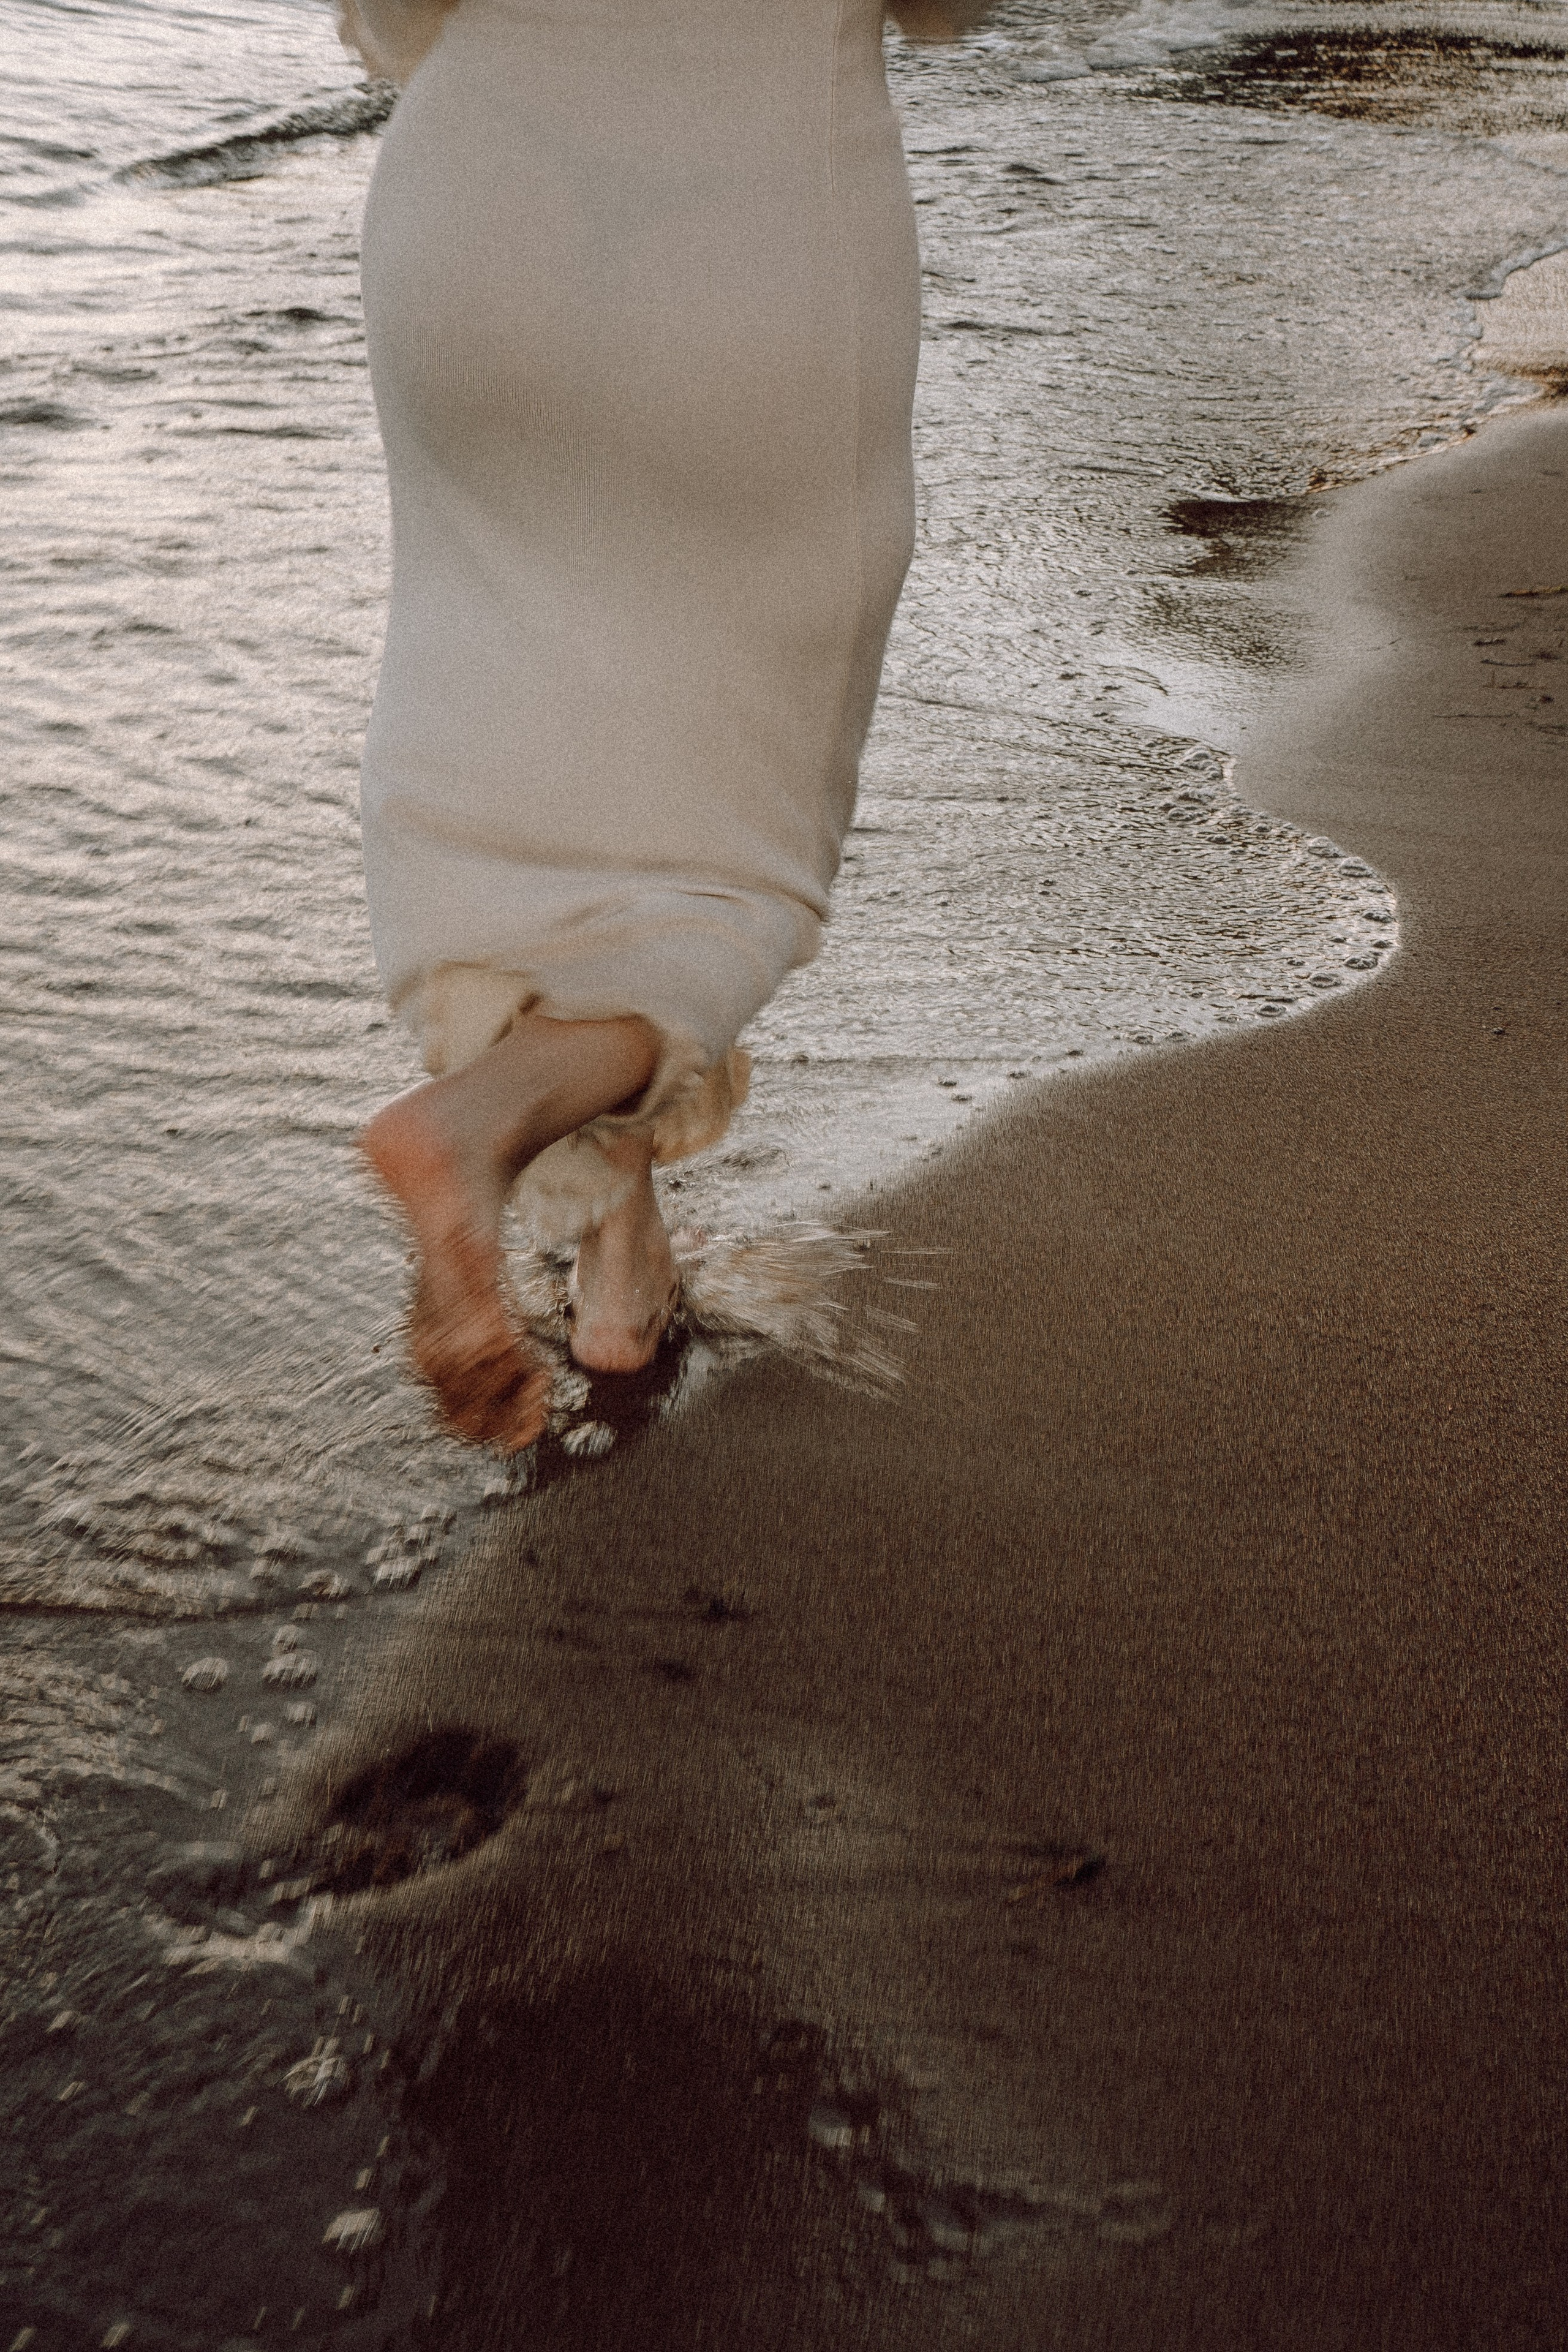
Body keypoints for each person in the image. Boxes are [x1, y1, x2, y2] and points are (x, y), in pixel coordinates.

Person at [338, 0, 985, 1452]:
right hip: (751, 238)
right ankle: (484, 1122)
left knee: (518, 761)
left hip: (474, 217)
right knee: (727, 851)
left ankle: (614, 1261)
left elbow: (389, 18)